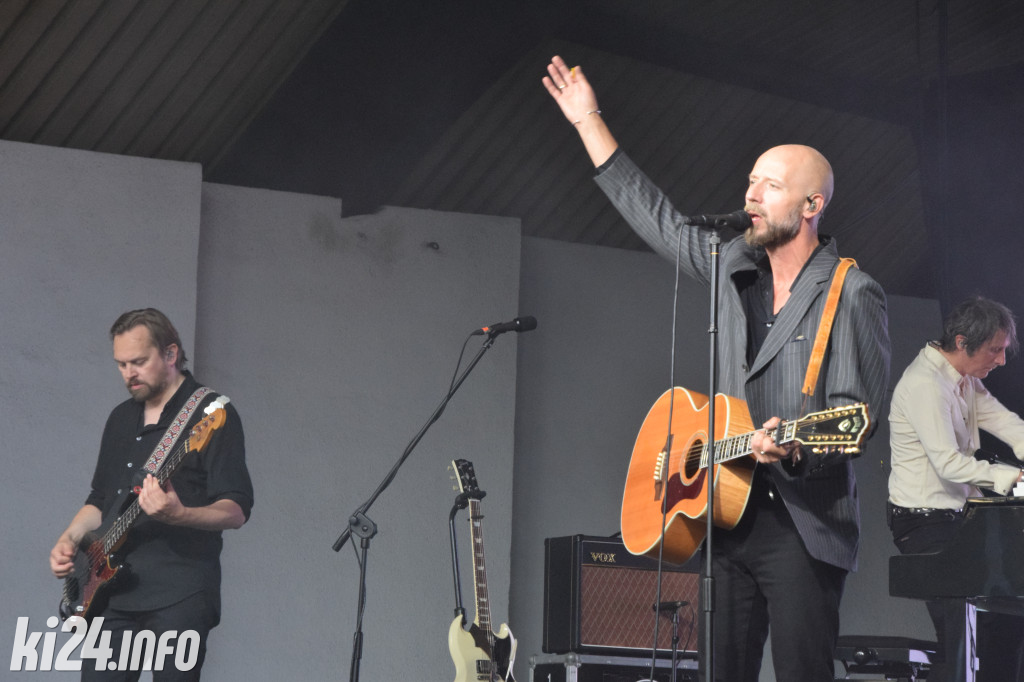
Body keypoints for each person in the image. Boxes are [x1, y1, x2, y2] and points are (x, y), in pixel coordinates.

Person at [543, 56, 891, 681]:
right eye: (751, 182)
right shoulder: (731, 265)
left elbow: (857, 416)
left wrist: (791, 448)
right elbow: (657, 218)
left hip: (803, 525)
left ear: (812, 204)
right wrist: (587, 121)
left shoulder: (852, 291)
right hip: (724, 517)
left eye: (771, 186)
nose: (752, 195)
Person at [49, 308, 254, 681]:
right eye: (121, 364)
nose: (129, 373)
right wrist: (69, 538)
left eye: (139, 362)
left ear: (171, 354)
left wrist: (180, 515)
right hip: (110, 596)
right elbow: (100, 500)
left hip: (180, 594)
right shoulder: (120, 419)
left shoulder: (210, 414)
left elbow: (236, 509)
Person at [888, 296, 1024, 681]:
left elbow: (1010, 426)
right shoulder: (925, 384)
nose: (1000, 360)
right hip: (924, 524)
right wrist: (1014, 478)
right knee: (964, 635)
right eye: (994, 350)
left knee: (1007, 624)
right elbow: (946, 462)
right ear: (963, 343)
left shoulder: (965, 380)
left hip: (959, 520)